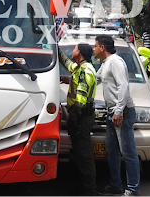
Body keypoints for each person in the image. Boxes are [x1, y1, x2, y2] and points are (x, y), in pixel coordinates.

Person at [94, 35, 139, 197]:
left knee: (128, 153)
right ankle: (116, 186)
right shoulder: (106, 63)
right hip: (111, 112)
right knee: (112, 151)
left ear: (102, 48)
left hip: (122, 113)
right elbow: (95, 78)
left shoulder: (116, 62)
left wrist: (119, 111)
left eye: (95, 46)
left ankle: (133, 190)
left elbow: (123, 86)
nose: (94, 49)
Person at [59, 43, 98, 197]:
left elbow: (80, 101)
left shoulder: (84, 71)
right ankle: (82, 188)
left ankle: (90, 192)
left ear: (80, 53)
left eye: (75, 49)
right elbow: (66, 62)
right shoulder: (80, 68)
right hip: (80, 118)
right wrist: (54, 45)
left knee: (85, 157)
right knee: (79, 156)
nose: (73, 52)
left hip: (81, 118)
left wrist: (72, 119)